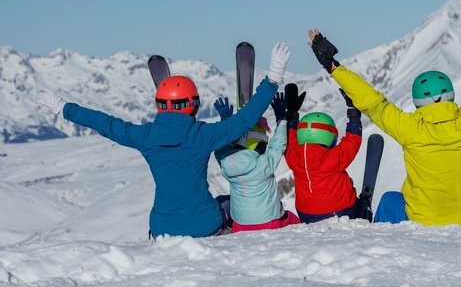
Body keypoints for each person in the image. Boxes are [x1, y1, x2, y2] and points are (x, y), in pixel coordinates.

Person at [307, 5, 461, 226]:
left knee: (390, 199)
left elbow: (372, 102)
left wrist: (332, 66)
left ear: (418, 102)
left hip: (422, 221)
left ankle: (378, 245)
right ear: (450, 94)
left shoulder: (409, 128)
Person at [33, 42, 291, 238]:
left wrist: (62, 107)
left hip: (162, 229)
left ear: (159, 105)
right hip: (204, 226)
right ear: (193, 105)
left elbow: (104, 122)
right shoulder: (201, 135)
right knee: (227, 203)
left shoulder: (145, 136)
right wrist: (273, 78)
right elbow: (246, 119)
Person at [212, 91, 300, 233]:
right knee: (292, 219)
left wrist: (226, 123)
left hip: (239, 225)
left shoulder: (227, 163)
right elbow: (279, 144)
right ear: (259, 143)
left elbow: (220, 148)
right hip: (270, 223)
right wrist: (281, 119)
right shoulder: (264, 164)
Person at [284, 83, 371, 223]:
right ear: (330, 137)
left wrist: (291, 114)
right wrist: (353, 113)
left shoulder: (293, 155)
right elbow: (352, 140)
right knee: (360, 209)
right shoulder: (333, 157)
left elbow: (289, 139)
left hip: (306, 214)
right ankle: (366, 212)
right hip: (341, 210)